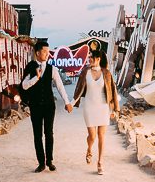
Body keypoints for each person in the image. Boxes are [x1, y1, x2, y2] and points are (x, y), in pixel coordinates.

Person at [21, 41, 73, 173]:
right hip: (35, 106)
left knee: (49, 133)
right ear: (37, 53)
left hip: (49, 105)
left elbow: (60, 86)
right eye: (44, 51)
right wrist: (36, 78)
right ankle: (41, 163)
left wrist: (67, 102)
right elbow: (24, 85)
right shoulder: (31, 67)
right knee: (37, 135)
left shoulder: (52, 68)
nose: (47, 54)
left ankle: (49, 161)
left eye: (48, 51)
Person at [72, 49, 120, 175]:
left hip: (103, 107)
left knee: (101, 136)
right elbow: (79, 90)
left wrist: (114, 109)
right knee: (92, 135)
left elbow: (113, 91)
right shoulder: (85, 72)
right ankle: (89, 149)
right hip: (89, 106)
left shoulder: (106, 73)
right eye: (89, 58)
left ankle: (100, 162)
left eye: (91, 58)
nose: (89, 60)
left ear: (98, 59)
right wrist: (72, 104)